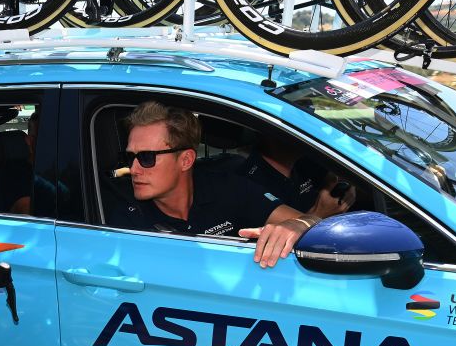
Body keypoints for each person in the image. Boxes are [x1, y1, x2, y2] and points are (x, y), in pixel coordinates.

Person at [112, 101, 320, 267]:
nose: (134, 169)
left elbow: (314, 222)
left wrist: (296, 225)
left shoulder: (226, 187)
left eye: (146, 157)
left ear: (186, 160)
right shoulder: (125, 220)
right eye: (130, 157)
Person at [240, 134, 356, 218]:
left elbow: (335, 180)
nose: (311, 134)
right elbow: (281, 236)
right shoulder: (249, 181)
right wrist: (319, 213)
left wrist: (346, 189)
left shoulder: (306, 161)